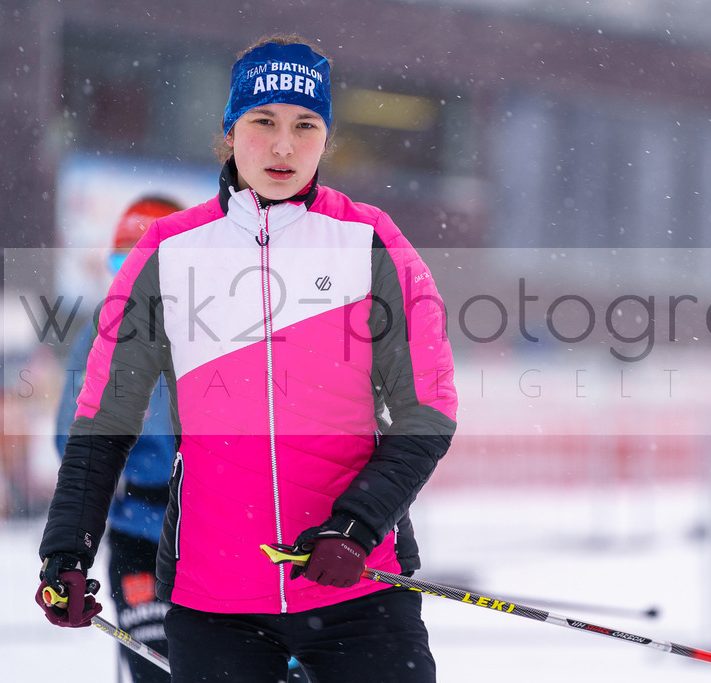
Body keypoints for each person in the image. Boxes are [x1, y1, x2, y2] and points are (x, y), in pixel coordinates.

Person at [37, 33, 458, 683]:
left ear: (326, 137)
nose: (284, 145)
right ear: (230, 132)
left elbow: (428, 407)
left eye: (305, 124)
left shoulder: (371, 242)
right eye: (263, 122)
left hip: (357, 591)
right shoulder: (170, 251)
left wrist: (356, 523)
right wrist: (67, 550)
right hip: (214, 603)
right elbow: (103, 418)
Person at [54, 196, 181, 682]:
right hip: (141, 536)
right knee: (154, 668)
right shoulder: (99, 335)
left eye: (144, 263)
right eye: (118, 261)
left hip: (217, 539)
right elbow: (72, 443)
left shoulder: (218, 330)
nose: (131, 278)